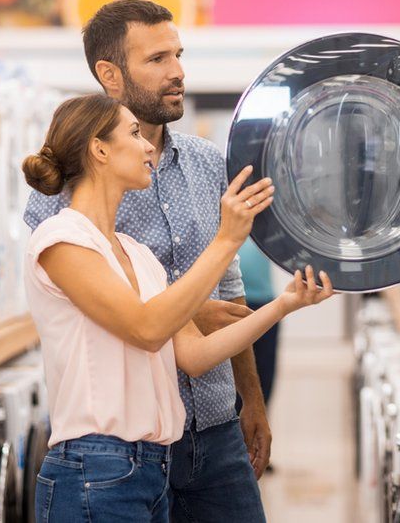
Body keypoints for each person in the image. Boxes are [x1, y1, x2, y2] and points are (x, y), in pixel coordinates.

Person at [22, 94, 334, 522]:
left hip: (150, 469)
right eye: (133, 134)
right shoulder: (61, 240)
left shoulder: (138, 255)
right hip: (93, 469)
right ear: (99, 150)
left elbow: (194, 355)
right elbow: (147, 329)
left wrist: (284, 304)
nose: (149, 146)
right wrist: (226, 240)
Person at [24, 0, 275, 521]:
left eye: (178, 55)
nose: (178, 71)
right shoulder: (65, 194)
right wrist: (187, 312)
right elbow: (86, 308)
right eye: (157, 59)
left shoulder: (207, 164)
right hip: (113, 444)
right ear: (109, 74)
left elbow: (229, 295)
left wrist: (251, 399)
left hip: (213, 421)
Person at [237, 240, 280, 410]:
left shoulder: (264, 224)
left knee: (264, 374)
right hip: (230, 302)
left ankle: (260, 414)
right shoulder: (216, 219)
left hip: (263, 301)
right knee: (235, 372)